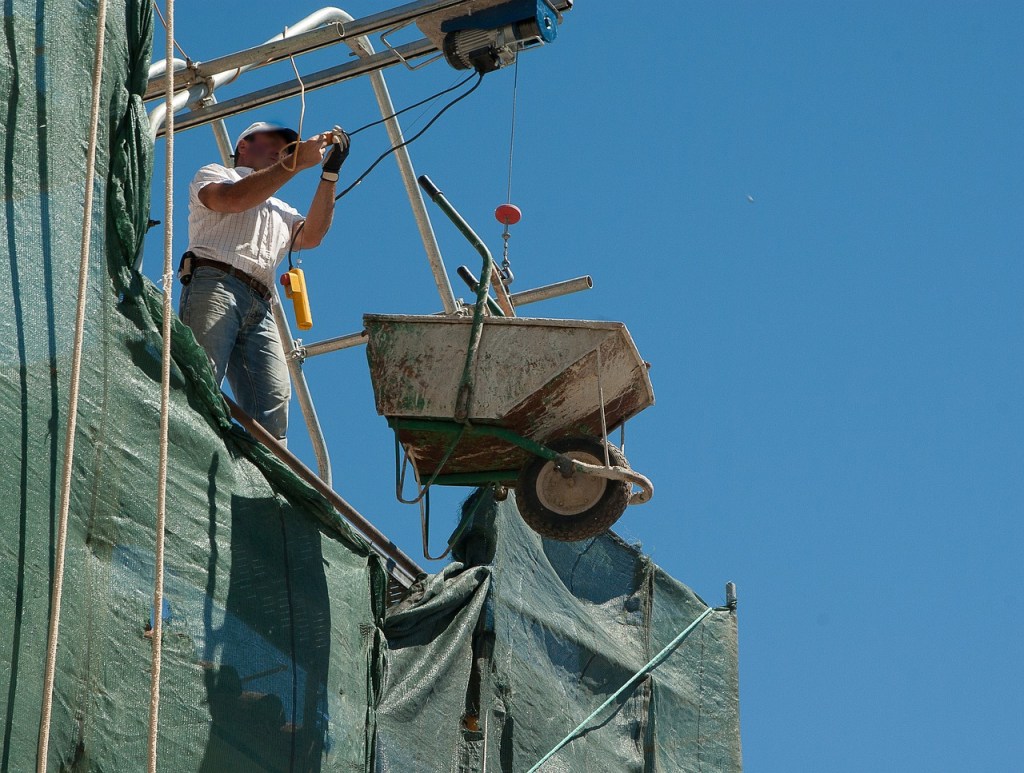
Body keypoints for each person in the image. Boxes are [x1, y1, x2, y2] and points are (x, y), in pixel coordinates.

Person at [179, 120, 350, 443]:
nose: (280, 150)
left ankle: (263, 470)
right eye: (272, 142)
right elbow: (233, 199)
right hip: (215, 283)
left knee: (273, 405)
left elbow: (312, 235)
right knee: (201, 376)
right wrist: (295, 163)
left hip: (260, 302)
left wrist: (329, 174)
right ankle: (187, 447)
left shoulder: (280, 208)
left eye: (285, 147)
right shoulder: (216, 174)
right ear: (243, 145)